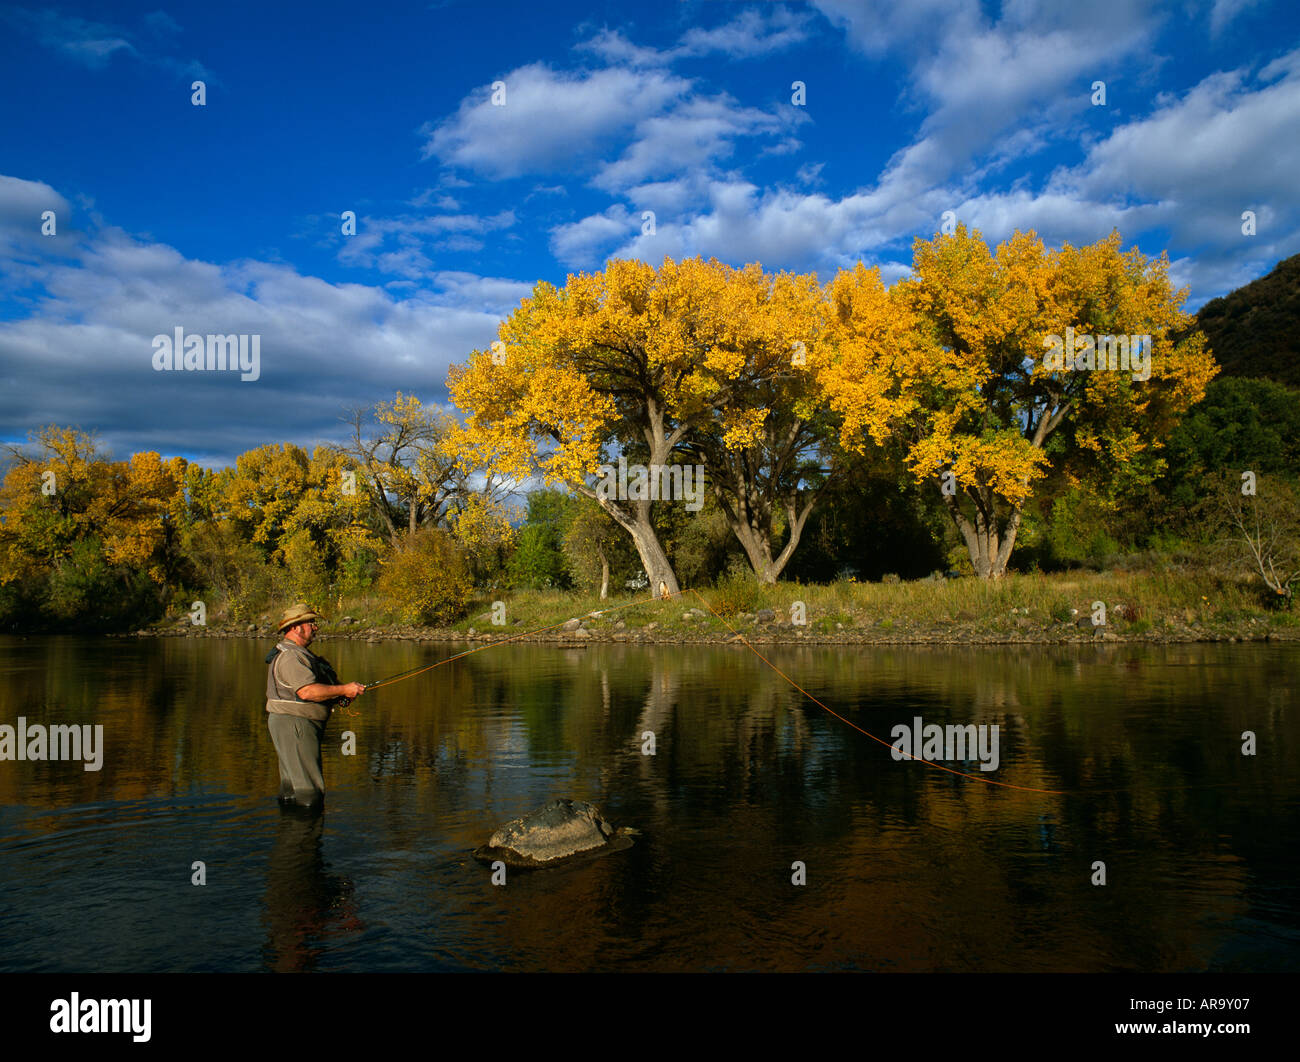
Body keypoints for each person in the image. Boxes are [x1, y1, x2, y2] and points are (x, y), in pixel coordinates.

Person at [265, 603, 365, 806]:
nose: (316, 627)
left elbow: (309, 690)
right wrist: (344, 689)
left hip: (291, 724)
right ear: (297, 627)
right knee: (309, 792)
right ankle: (307, 833)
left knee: (292, 790)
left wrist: (337, 696)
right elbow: (307, 691)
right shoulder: (292, 656)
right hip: (296, 725)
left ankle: (292, 832)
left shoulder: (293, 653)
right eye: (311, 623)